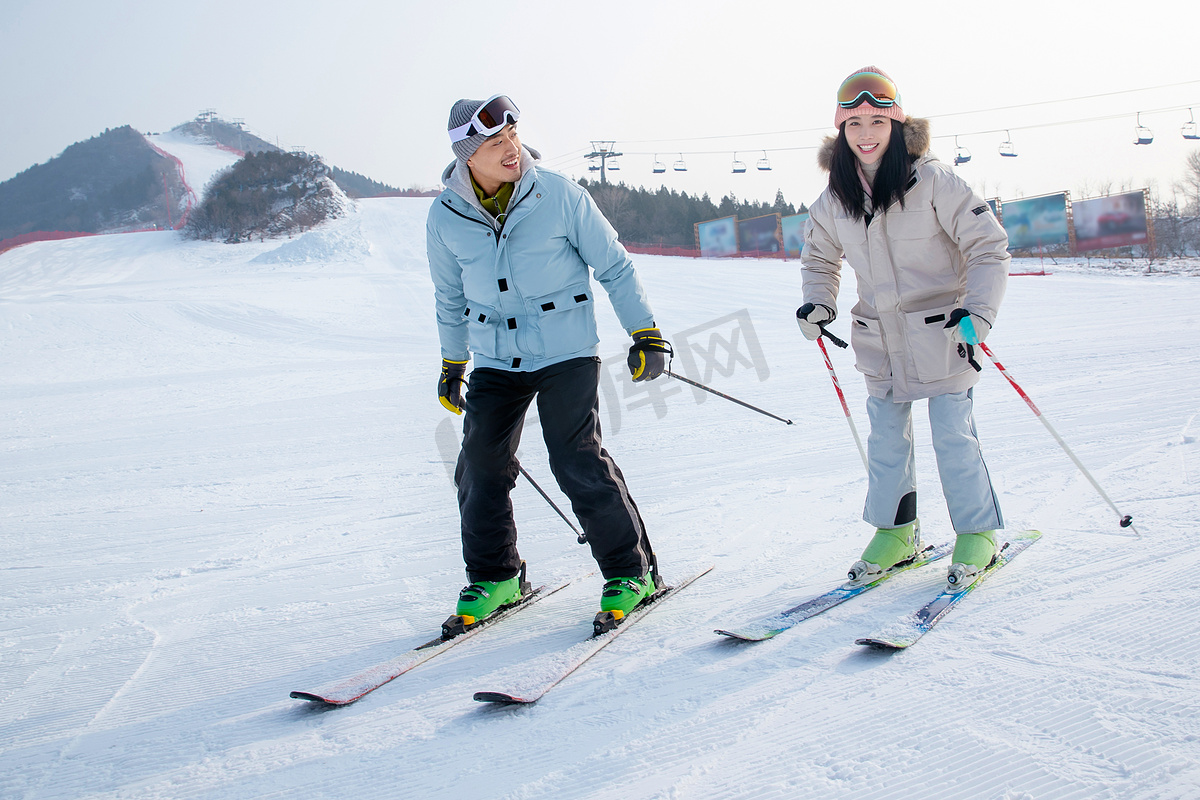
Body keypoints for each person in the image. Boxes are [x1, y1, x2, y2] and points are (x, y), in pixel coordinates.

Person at [427, 94, 672, 631]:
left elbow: (614, 267)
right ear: (468, 155)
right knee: (479, 464)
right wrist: (453, 362)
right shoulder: (445, 216)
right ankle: (496, 576)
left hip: (566, 352)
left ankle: (631, 572)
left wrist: (645, 333)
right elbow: (449, 297)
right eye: (495, 143)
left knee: (575, 457)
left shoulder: (559, 196)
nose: (511, 148)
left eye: (513, 136)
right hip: (496, 358)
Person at [797, 67, 1010, 591]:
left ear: (897, 124)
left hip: (944, 332)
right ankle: (896, 533)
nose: (865, 134)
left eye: (876, 121)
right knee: (887, 439)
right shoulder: (835, 197)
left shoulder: (934, 180)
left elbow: (989, 248)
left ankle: (978, 532)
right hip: (880, 341)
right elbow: (819, 261)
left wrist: (977, 314)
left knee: (952, 436)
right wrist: (816, 304)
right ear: (840, 132)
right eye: (853, 124)